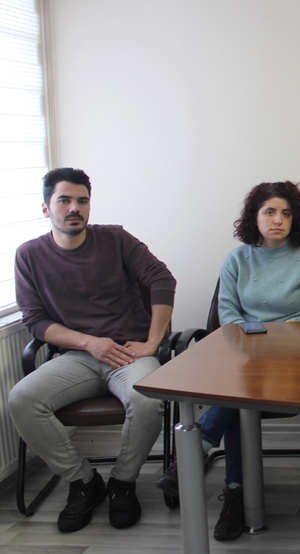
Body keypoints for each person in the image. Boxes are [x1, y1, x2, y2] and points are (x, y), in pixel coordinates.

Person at [155, 181, 300, 541]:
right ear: (254, 217)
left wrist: (279, 335)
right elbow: (229, 317)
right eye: (269, 212)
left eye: (286, 213)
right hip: (245, 357)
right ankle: (235, 492)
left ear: (296, 219)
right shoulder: (236, 260)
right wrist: (260, 340)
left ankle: (206, 459)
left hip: (294, 361)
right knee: (240, 395)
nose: (278, 220)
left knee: (236, 393)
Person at [9, 167, 176, 533]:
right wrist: (88, 342)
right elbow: (35, 320)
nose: (74, 208)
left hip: (129, 354)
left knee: (147, 400)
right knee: (21, 399)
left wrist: (152, 342)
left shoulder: (115, 239)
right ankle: (83, 482)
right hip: (77, 358)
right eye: (64, 200)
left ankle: (122, 482)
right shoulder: (29, 255)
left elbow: (162, 278)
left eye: (82, 201)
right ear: (45, 207)